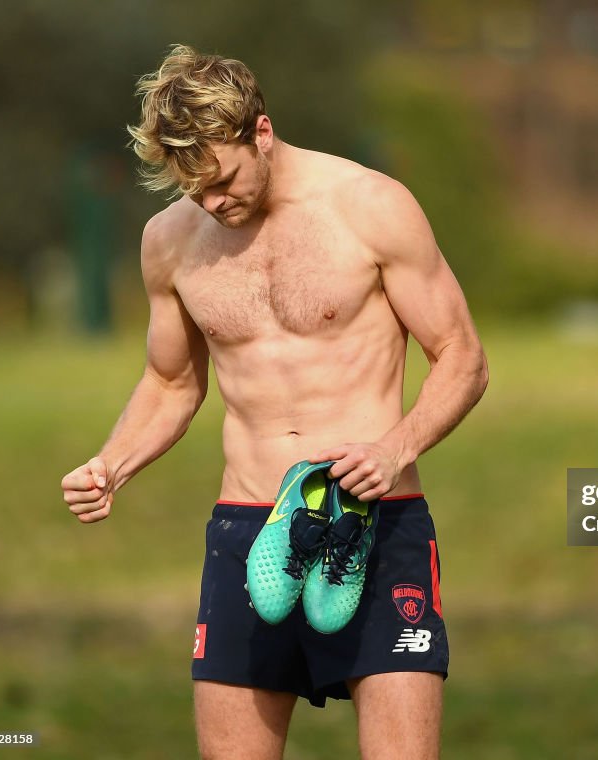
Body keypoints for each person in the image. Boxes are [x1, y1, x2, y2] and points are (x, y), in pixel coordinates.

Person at [60, 44, 488, 760]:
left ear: (261, 132)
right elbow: (171, 383)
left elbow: (463, 357)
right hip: (247, 531)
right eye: (193, 189)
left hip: (375, 528)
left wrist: (395, 448)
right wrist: (113, 462)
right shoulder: (169, 242)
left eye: (223, 180)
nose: (214, 202)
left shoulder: (370, 206)